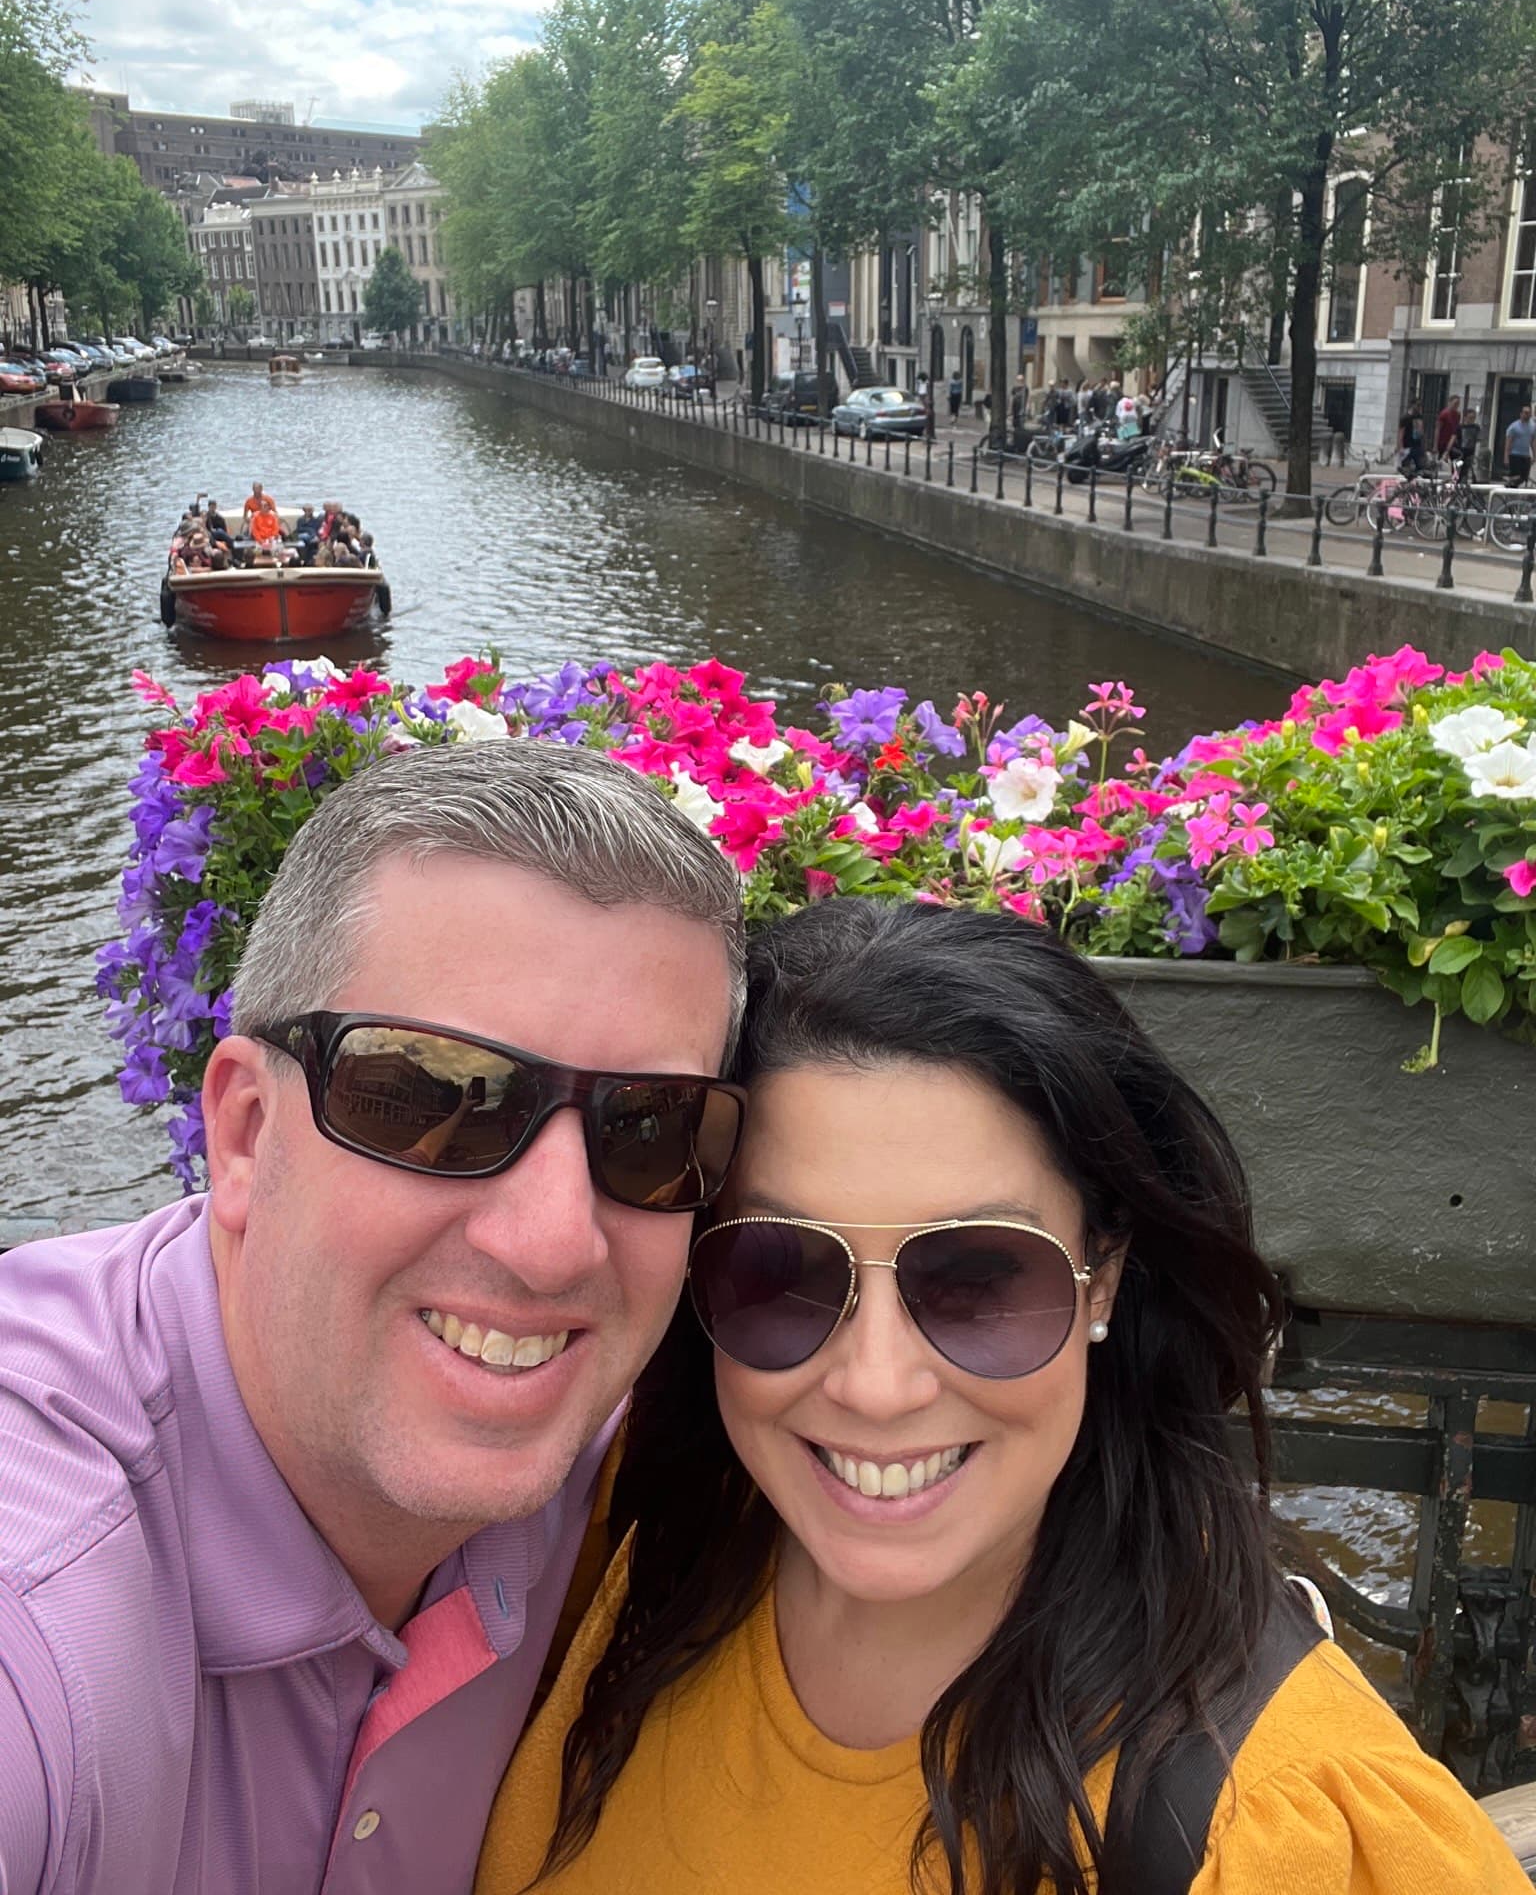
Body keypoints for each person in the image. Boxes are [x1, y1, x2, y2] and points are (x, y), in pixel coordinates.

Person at [476, 900, 1528, 1895]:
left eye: (979, 1279)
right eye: (781, 1272)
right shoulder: (629, 1529)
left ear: (1102, 1275)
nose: (875, 1384)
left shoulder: (1273, 1830)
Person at [0, 740, 745, 1895]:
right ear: (243, 1133)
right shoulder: (42, 1601)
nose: (553, 1241)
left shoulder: (632, 1459)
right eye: (429, 1098)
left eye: (649, 1129)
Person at [1504, 403, 1535, 486]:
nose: (1527, 414)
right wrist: (1506, 457)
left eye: (1529, 412)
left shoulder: (1533, 427)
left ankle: (1510, 485)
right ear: (1521, 414)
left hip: (1525, 456)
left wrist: (1534, 455)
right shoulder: (1514, 427)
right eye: (1525, 412)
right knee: (1515, 477)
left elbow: (1532, 442)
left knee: (1524, 477)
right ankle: (1510, 488)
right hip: (1515, 455)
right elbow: (1508, 443)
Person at [1398, 404, 1425, 474]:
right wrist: (1401, 447)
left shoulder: (1419, 417)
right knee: (1406, 468)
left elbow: (1421, 431)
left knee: (1420, 466)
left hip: (1417, 446)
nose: (1419, 408)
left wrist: (1423, 444)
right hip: (1407, 446)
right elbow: (1401, 432)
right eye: (1418, 406)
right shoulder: (1405, 418)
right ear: (1413, 406)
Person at [1435, 396, 1462, 460]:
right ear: (1450, 402)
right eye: (1455, 403)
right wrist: (1435, 445)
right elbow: (1438, 429)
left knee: (1459, 457)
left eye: (1458, 404)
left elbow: (1455, 430)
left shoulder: (1457, 415)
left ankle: (1456, 469)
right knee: (1442, 459)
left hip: (1451, 442)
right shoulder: (1444, 414)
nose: (1456, 406)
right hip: (1443, 442)